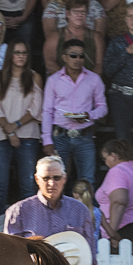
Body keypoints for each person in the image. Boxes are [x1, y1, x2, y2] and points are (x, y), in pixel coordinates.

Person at [0, 41, 42, 207]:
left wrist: (14, 126)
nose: (21, 56)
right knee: (0, 186)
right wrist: (9, 132)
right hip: (1, 136)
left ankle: (31, 226)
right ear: (10, 55)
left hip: (28, 136)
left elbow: (36, 108)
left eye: (24, 53)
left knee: (28, 185)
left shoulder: (34, 77)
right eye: (17, 52)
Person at [43, 38, 106, 185]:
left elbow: (103, 107)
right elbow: (47, 111)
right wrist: (47, 140)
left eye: (81, 56)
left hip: (84, 134)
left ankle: (87, 208)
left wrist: (88, 116)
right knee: (56, 180)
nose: (77, 59)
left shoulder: (94, 79)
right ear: (64, 57)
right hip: (60, 135)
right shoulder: (54, 80)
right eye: (73, 55)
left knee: (88, 179)